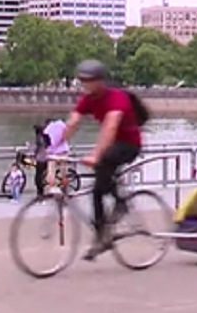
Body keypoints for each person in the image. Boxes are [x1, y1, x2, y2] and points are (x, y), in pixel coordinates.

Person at [62, 59, 143, 261]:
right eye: (82, 81)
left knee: (100, 182)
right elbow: (72, 123)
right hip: (111, 146)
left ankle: (115, 213)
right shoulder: (87, 99)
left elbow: (110, 126)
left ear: (99, 81)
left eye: (89, 81)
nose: (85, 85)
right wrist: (52, 146)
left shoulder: (117, 98)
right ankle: (103, 233)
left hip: (129, 145)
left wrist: (96, 155)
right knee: (98, 188)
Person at [42, 117, 70, 191]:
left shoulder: (46, 130)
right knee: (64, 173)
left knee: (51, 172)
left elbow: (47, 144)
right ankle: (65, 188)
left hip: (52, 154)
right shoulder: (62, 125)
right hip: (63, 152)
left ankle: (52, 188)